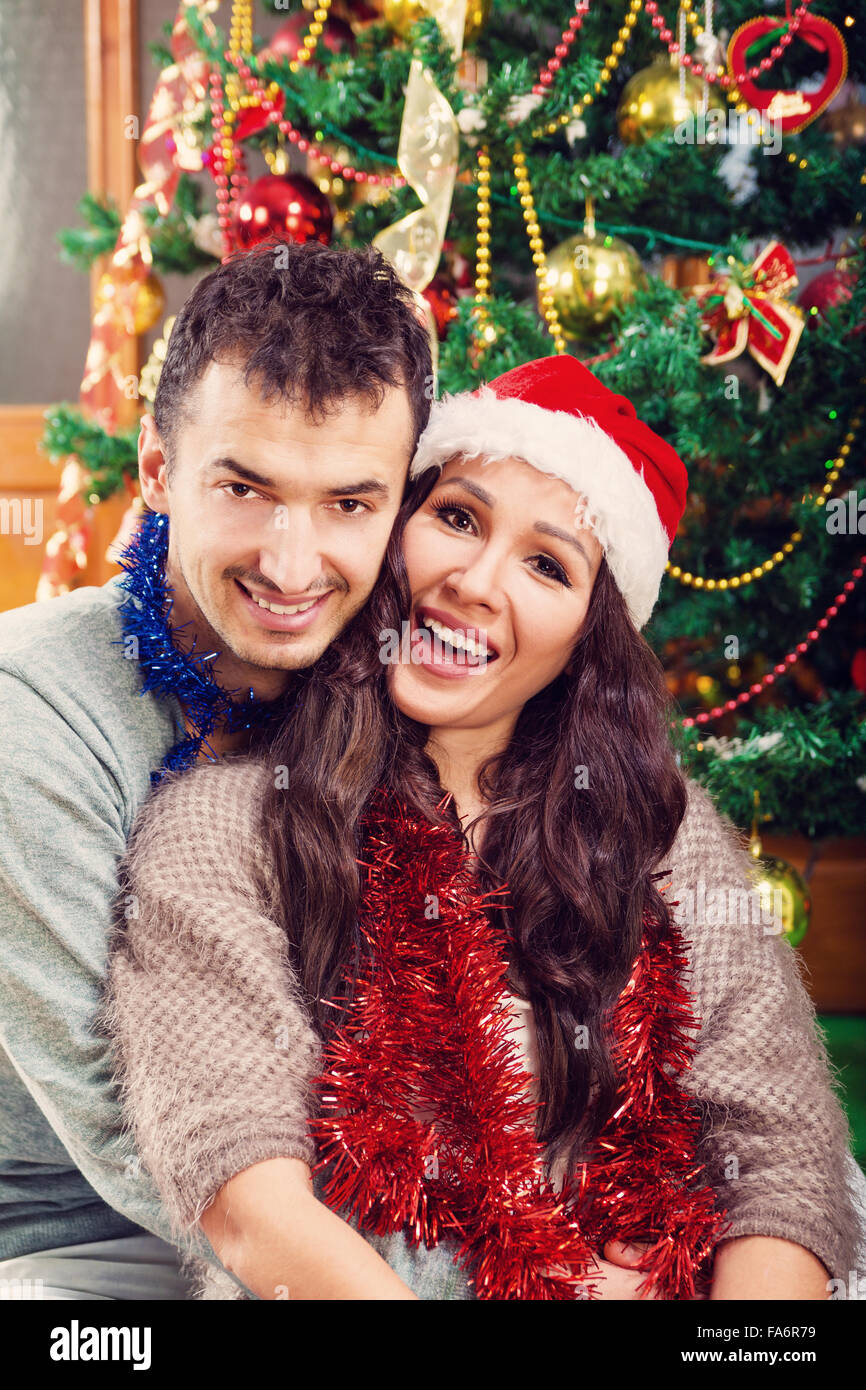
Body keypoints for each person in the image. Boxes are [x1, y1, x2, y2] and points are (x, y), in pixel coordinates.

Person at [105, 355, 866, 1300]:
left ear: (592, 630)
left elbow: (783, 1156)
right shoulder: (228, 826)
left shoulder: (659, 831)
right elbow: (244, 1198)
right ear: (395, 533)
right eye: (457, 518)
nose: (474, 580)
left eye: (547, 565)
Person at [0, 238, 433, 1299]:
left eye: (348, 502)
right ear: (157, 469)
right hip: (73, 1232)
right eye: (245, 486)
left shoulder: (422, 678)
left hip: (355, 1202)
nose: (292, 565)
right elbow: (130, 1116)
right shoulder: (30, 709)